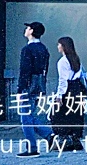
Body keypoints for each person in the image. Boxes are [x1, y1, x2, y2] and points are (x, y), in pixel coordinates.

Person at [17, 22, 53, 157]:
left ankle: (32, 147)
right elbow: (45, 69)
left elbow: (24, 71)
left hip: (28, 85)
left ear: (31, 31)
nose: (25, 30)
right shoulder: (44, 49)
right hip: (39, 85)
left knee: (25, 117)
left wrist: (20, 89)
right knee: (30, 115)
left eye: (27, 28)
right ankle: (49, 136)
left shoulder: (27, 50)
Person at [50, 37, 87, 153]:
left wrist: (59, 96)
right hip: (77, 89)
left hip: (68, 90)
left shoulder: (62, 61)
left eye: (59, 44)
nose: (58, 47)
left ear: (63, 46)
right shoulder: (76, 59)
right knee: (75, 114)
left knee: (59, 115)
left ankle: (64, 140)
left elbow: (63, 80)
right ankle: (75, 139)